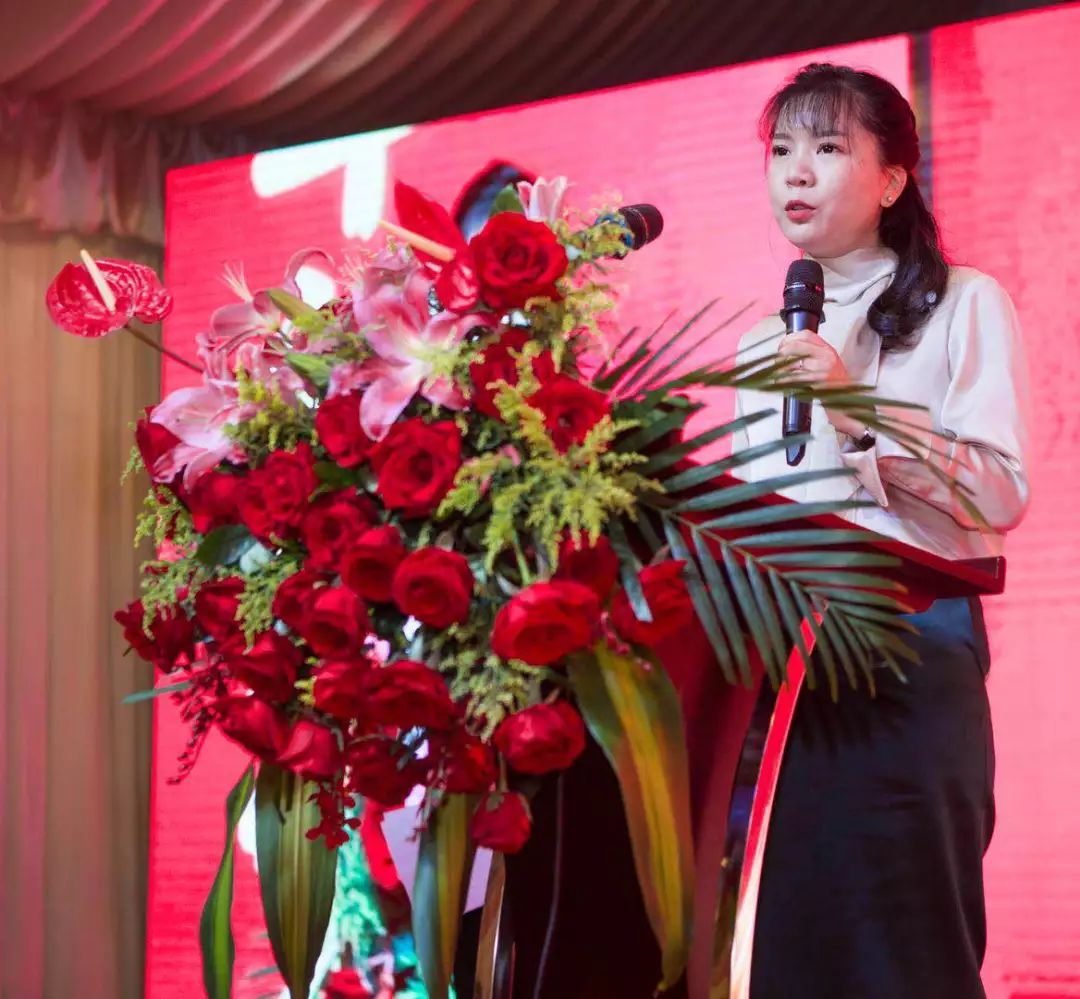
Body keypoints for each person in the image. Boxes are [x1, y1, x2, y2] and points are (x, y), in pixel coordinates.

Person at [730, 63, 1031, 998]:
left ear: (894, 178)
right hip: (780, 680)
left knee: (904, 952)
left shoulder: (963, 303)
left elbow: (998, 494)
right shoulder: (761, 343)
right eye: (782, 150)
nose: (796, 172)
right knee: (782, 951)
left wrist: (853, 410)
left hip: (910, 656)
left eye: (827, 148)